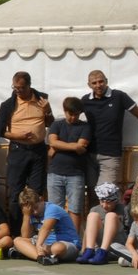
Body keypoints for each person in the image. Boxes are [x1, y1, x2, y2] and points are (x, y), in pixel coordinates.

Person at [0, 71, 53, 206]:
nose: (18, 91)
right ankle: (16, 225)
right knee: (15, 191)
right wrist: (17, 136)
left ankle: (33, 225)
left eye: (21, 88)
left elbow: (50, 123)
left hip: (38, 150)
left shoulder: (41, 100)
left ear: (29, 86)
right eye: (15, 88)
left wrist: (47, 111)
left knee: (36, 191)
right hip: (19, 150)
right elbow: (0, 132)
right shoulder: (8, 105)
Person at [77, 69, 138, 193]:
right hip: (90, 153)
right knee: (91, 193)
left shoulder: (119, 96)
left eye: (101, 81)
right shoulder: (85, 100)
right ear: (89, 85)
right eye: (94, 83)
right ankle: (93, 213)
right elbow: (72, 117)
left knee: (106, 193)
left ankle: (110, 213)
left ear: (106, 81)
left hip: (110, 154)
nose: (98, 85)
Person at [45, 96, 90, 238]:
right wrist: (74, 146)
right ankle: (55, 239)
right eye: (71, 114)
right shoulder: (56, 125)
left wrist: (59, 145)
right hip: (55, 173)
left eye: (76, 114)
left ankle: (74, 240)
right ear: (65, 111)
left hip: (76, 174)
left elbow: (81, 145)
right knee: (54, 209)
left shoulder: (85, 126)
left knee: (75, 209)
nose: (73, 117)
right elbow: (52, 142)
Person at [13, 186, 81, 265]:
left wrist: (38, 245)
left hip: (66, 244)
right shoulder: (30, 214)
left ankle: (29, 253)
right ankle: (40, 258)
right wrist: (26, 216)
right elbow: (26, 236)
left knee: (57, 248)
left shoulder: (52, 209)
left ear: (41, 200)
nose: (34, 212)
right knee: (17, 240)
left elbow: (45, 229)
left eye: (36, 207)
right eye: (31, 211)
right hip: (44, 245)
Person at [77, 182, 125, 265]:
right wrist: (83, 250)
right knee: (92, 215)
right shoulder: (95, 209)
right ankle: (89, 251)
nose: (104, 205)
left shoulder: (123, 209)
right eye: (102, 201)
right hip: (98, 251)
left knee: (111, 216)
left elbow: (131, 232)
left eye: (108, 202)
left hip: (117, 247)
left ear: (115, 200)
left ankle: (104, 252)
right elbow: (87, 231)